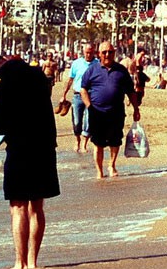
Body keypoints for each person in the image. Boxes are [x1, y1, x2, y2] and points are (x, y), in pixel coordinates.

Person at [0, 53, 59, 269]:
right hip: (45, 146)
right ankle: (33, 262)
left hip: (20, 147)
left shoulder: (1, 80)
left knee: (18, 207)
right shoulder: (37, 74)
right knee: (37, 207)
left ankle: (20, 262)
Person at [80, 41, 141, 179]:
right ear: (99, 54)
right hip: (97, 113)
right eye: (104, 52)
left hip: (116, 112)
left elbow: (130, 91)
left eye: (110, 52)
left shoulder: (121, 70)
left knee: (115, 141)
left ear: (114, 53)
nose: (107, 54)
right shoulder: (92, 70)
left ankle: (112, 165)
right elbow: (83, 89)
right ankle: (99, 171)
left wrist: (136, 109)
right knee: (98, 143)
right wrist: (89, 106)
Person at [59, 43, 97, 153]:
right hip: (77, 96)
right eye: (87, 52)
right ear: (83, 52)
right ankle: (77, 141)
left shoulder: (98, 64)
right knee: (76, 121)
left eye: (91, 53)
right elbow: (70, 79)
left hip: (91, 96)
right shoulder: (76, 63)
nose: (89, 55)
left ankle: (84, 144)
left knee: (88, 120)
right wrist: (63, 95)